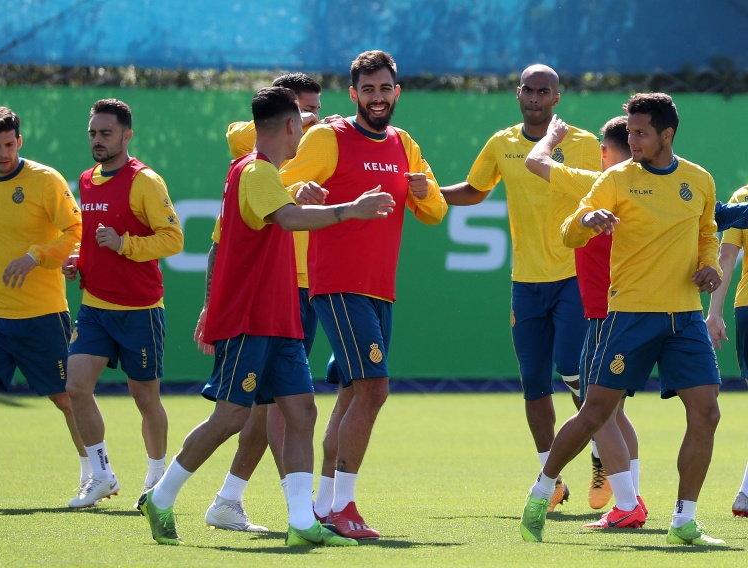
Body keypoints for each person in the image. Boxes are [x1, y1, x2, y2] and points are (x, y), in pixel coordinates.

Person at [138, 86, 394, 547]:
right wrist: (350, 210)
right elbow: (289, 220)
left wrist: (297, 191)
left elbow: (278, 208)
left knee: (302, 411)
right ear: (292, 125)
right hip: (252, 319)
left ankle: (301, 522)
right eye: (304, 122)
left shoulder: (262, 173)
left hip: (281, 320)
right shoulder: (254, 171)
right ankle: (162, 495)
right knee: (230, 418)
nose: (307, 131)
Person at [520, 92, 725, 546]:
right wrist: (586, 218)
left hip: (685, 318)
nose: (631, 139)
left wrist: (709, 265)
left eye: (640, 132)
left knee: (707, 412)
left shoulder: (700, 180)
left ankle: (683, 522)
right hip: (629, 316)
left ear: (666, 135)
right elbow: (568, 231)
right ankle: (540, 490)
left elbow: (706, 232)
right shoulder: (616, 179)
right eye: (629, 131)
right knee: (595, 412)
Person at [278, 50, 448, 539]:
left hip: (380, 288)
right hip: (335, 282)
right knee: (375, 389)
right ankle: (343, 504)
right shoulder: (328, 136)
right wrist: (299, 189)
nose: (377, 98)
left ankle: (327, 503)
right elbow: (278, 181)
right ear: (353, 94)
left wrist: (421, 190)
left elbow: (434, 211)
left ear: (397, 92)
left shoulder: (404, 143)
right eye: (367, 90)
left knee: (354, 391)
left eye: (384, 89)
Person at [441, 64, 601, 511]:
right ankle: (552, 481)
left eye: (543, 91)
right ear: (518, 94)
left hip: (572, 275)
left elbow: (605, 193)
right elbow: (475, 190)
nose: (534, 97)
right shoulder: (502, 143)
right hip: (525, 282)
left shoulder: (584, 144)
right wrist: (426, 191)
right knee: (533, 384)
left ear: (557, 97)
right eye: (528, 90)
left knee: (573, 370)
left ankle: (601, 454)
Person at [201, 72, 330, 533]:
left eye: (317, 105)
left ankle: (237, 500)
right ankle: (174, 489)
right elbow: (220, 242)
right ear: (287, 115)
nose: (314, 116)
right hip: (266, 299)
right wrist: (208, 303)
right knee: (255, 412)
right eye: (304, 109)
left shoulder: (316, 148)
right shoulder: (253, 158)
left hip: (302, 290)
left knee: (285, 408)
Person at [0, 106, 87, 508]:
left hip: (43, 314)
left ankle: (94, 474)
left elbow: (75, 231)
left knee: (66, 399)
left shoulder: (45, 180)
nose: (4, 152)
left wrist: (36, 255)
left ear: (20, 141)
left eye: (10, 144)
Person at [63, 99, 184, 508]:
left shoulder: (146, 181)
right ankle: (101, 475)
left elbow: (173, 239)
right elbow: (92, 235)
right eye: (93, 133)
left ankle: (155, 480)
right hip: (95, 308)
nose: (97, 140)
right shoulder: (86, 179)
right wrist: (80, 260)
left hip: (140, 309)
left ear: (127, 136)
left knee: (145, 398)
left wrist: (124, 244)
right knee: (76, 387)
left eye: (106, 133)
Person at [706, 184, 748, 519]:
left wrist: (715, 312)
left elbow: (726, 257)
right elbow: (725, 257)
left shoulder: (742, 195)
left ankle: (746, 492)